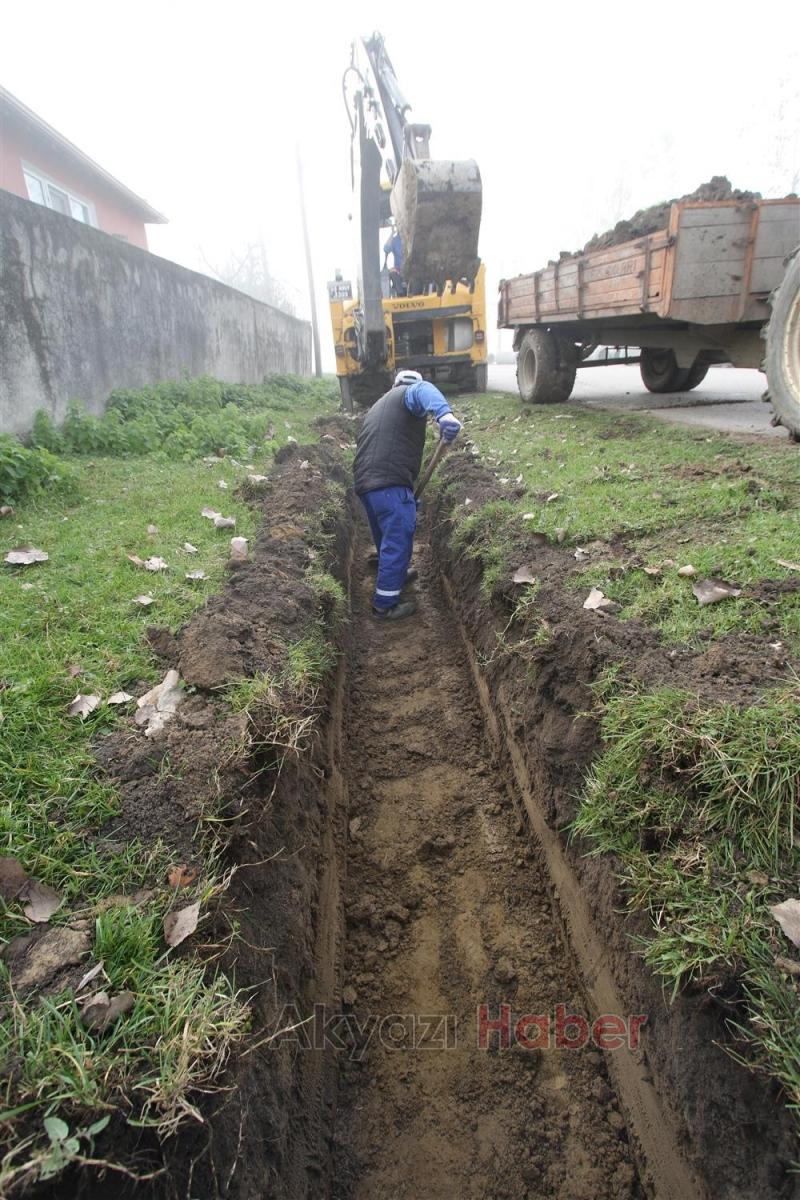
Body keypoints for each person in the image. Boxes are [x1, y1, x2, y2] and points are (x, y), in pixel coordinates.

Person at [353, 370, 462, 620]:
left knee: (386, 535)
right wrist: (444, 414)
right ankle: (385, 605)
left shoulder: (379, 407)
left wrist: (405, 497)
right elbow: (421, 390)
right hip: (388, 481)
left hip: (366, 483)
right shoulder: (408, 393)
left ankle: (396, 574)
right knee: (399, 540)